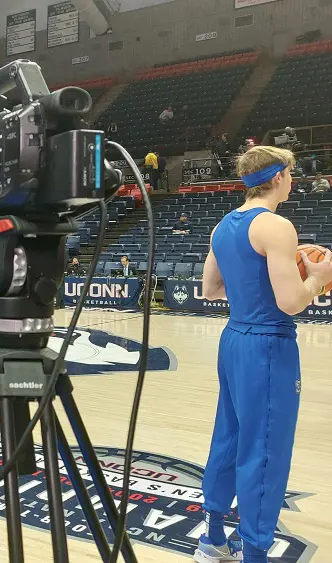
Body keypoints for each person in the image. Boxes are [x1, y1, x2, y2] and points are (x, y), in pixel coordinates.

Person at [198, 146, 332, 563]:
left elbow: (209, 290)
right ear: (277, 177)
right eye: (291, 174)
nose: (293, 180)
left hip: (234, 337)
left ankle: (214, 538)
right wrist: (319, 278)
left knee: (230, 435)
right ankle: (254, 553)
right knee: (266, 447)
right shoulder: (276, 227)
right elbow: (292, 302)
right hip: (268, 344)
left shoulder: (223, 225)